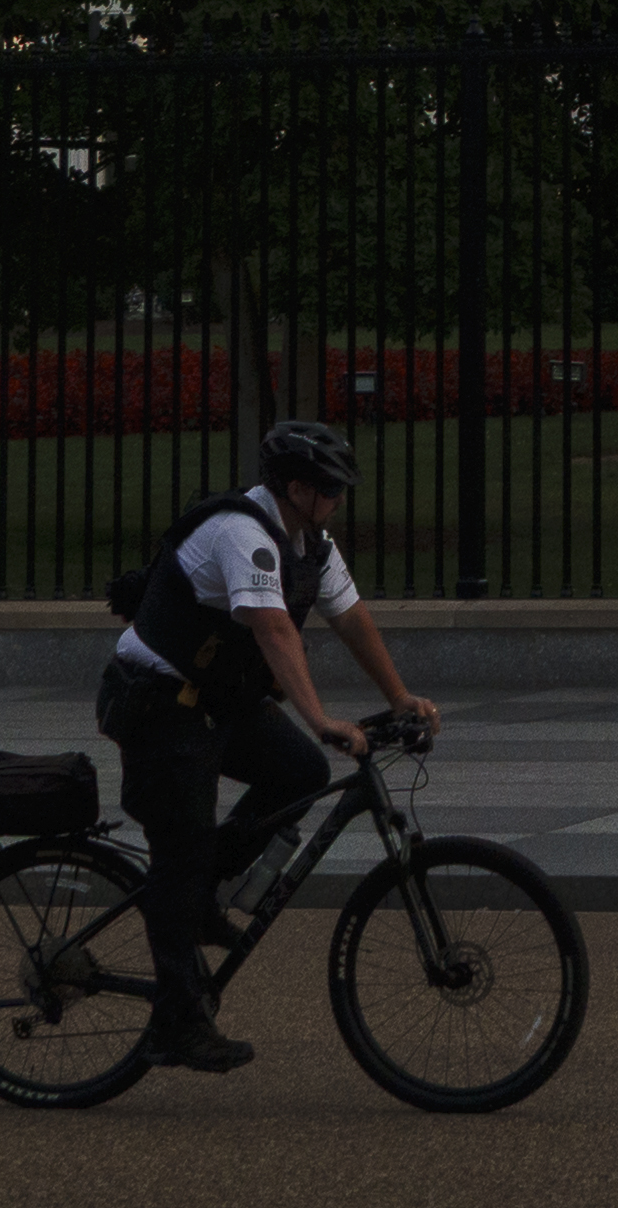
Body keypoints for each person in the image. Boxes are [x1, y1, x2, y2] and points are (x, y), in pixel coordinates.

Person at [100, 417, 438, 1074]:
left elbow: (350, 616)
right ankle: (176, 1023)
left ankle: (202, 895)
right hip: (156, 702)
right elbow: (274, 630)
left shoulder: (309, 540)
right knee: (182, 848)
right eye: (328, 486)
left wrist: (400, 698)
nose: (339, 496)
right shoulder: (242, 534)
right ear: (292, 486)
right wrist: (321, 717)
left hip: (215, 698)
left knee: (300, 772)